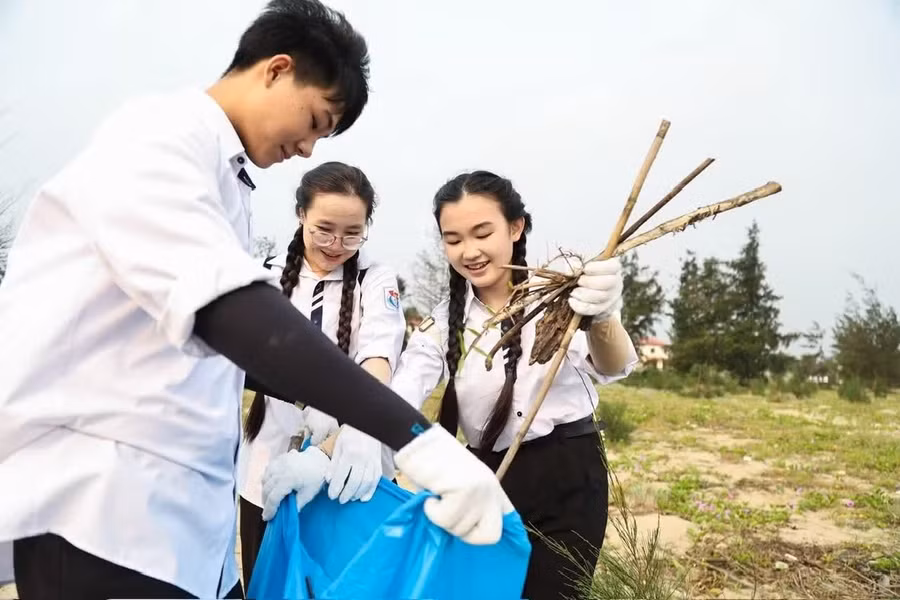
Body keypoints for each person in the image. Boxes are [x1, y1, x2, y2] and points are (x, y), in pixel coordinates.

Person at [0, 3, 513, 598]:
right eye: (317, 120)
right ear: (276, 69)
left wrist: (344, 436)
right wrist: (414, 437)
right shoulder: (157, 139)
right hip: (103, 514)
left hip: (173, 526)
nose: (309, 148)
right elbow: (240, 318)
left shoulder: (227, 180)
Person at [392, 171, 638, 599]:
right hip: (486, 480)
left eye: (482, 232)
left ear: (516, 226)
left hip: (569, 473)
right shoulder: (442, 322)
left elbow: (614, 366)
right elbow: (401, 390)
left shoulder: (560, 292)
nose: (469, 251)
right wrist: (345, 440)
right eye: (453, 239)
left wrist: (603, 315)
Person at [236, 161, 404, 586]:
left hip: (343, 462)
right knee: (267, 582)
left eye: (352, 233)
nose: (336, 244)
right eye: (323, 229)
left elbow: (379, 355)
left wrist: (358, 423)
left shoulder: (374, 276)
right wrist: (305, 397)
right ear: (301, 216)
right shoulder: (266, 276)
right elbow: (247, 358)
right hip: (267, 463)